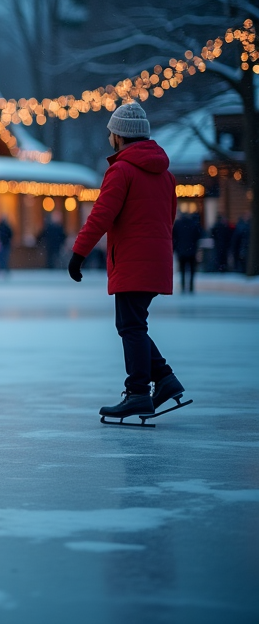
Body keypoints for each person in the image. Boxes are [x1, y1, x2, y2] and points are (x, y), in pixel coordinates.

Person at [68, 101, 185, 421]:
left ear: (119, 135)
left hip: (133, 260)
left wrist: (78, 254)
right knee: (134, 324)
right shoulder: (166, 175)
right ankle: (165, 379)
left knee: (130, 326)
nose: (109, 138)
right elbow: (168, 217)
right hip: (156, 259)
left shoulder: (121, 170)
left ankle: (137, 394)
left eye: (111, 133)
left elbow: (101, 215)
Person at [171, 210, 202, 294]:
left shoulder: (178, 224)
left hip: (181, 251)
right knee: (192, 270)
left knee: (182, 270)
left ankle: (183, 287)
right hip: (192, 251)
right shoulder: (194, 224)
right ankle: (191, 287)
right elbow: (198, 237)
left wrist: (175, 249)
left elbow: (174, 238)